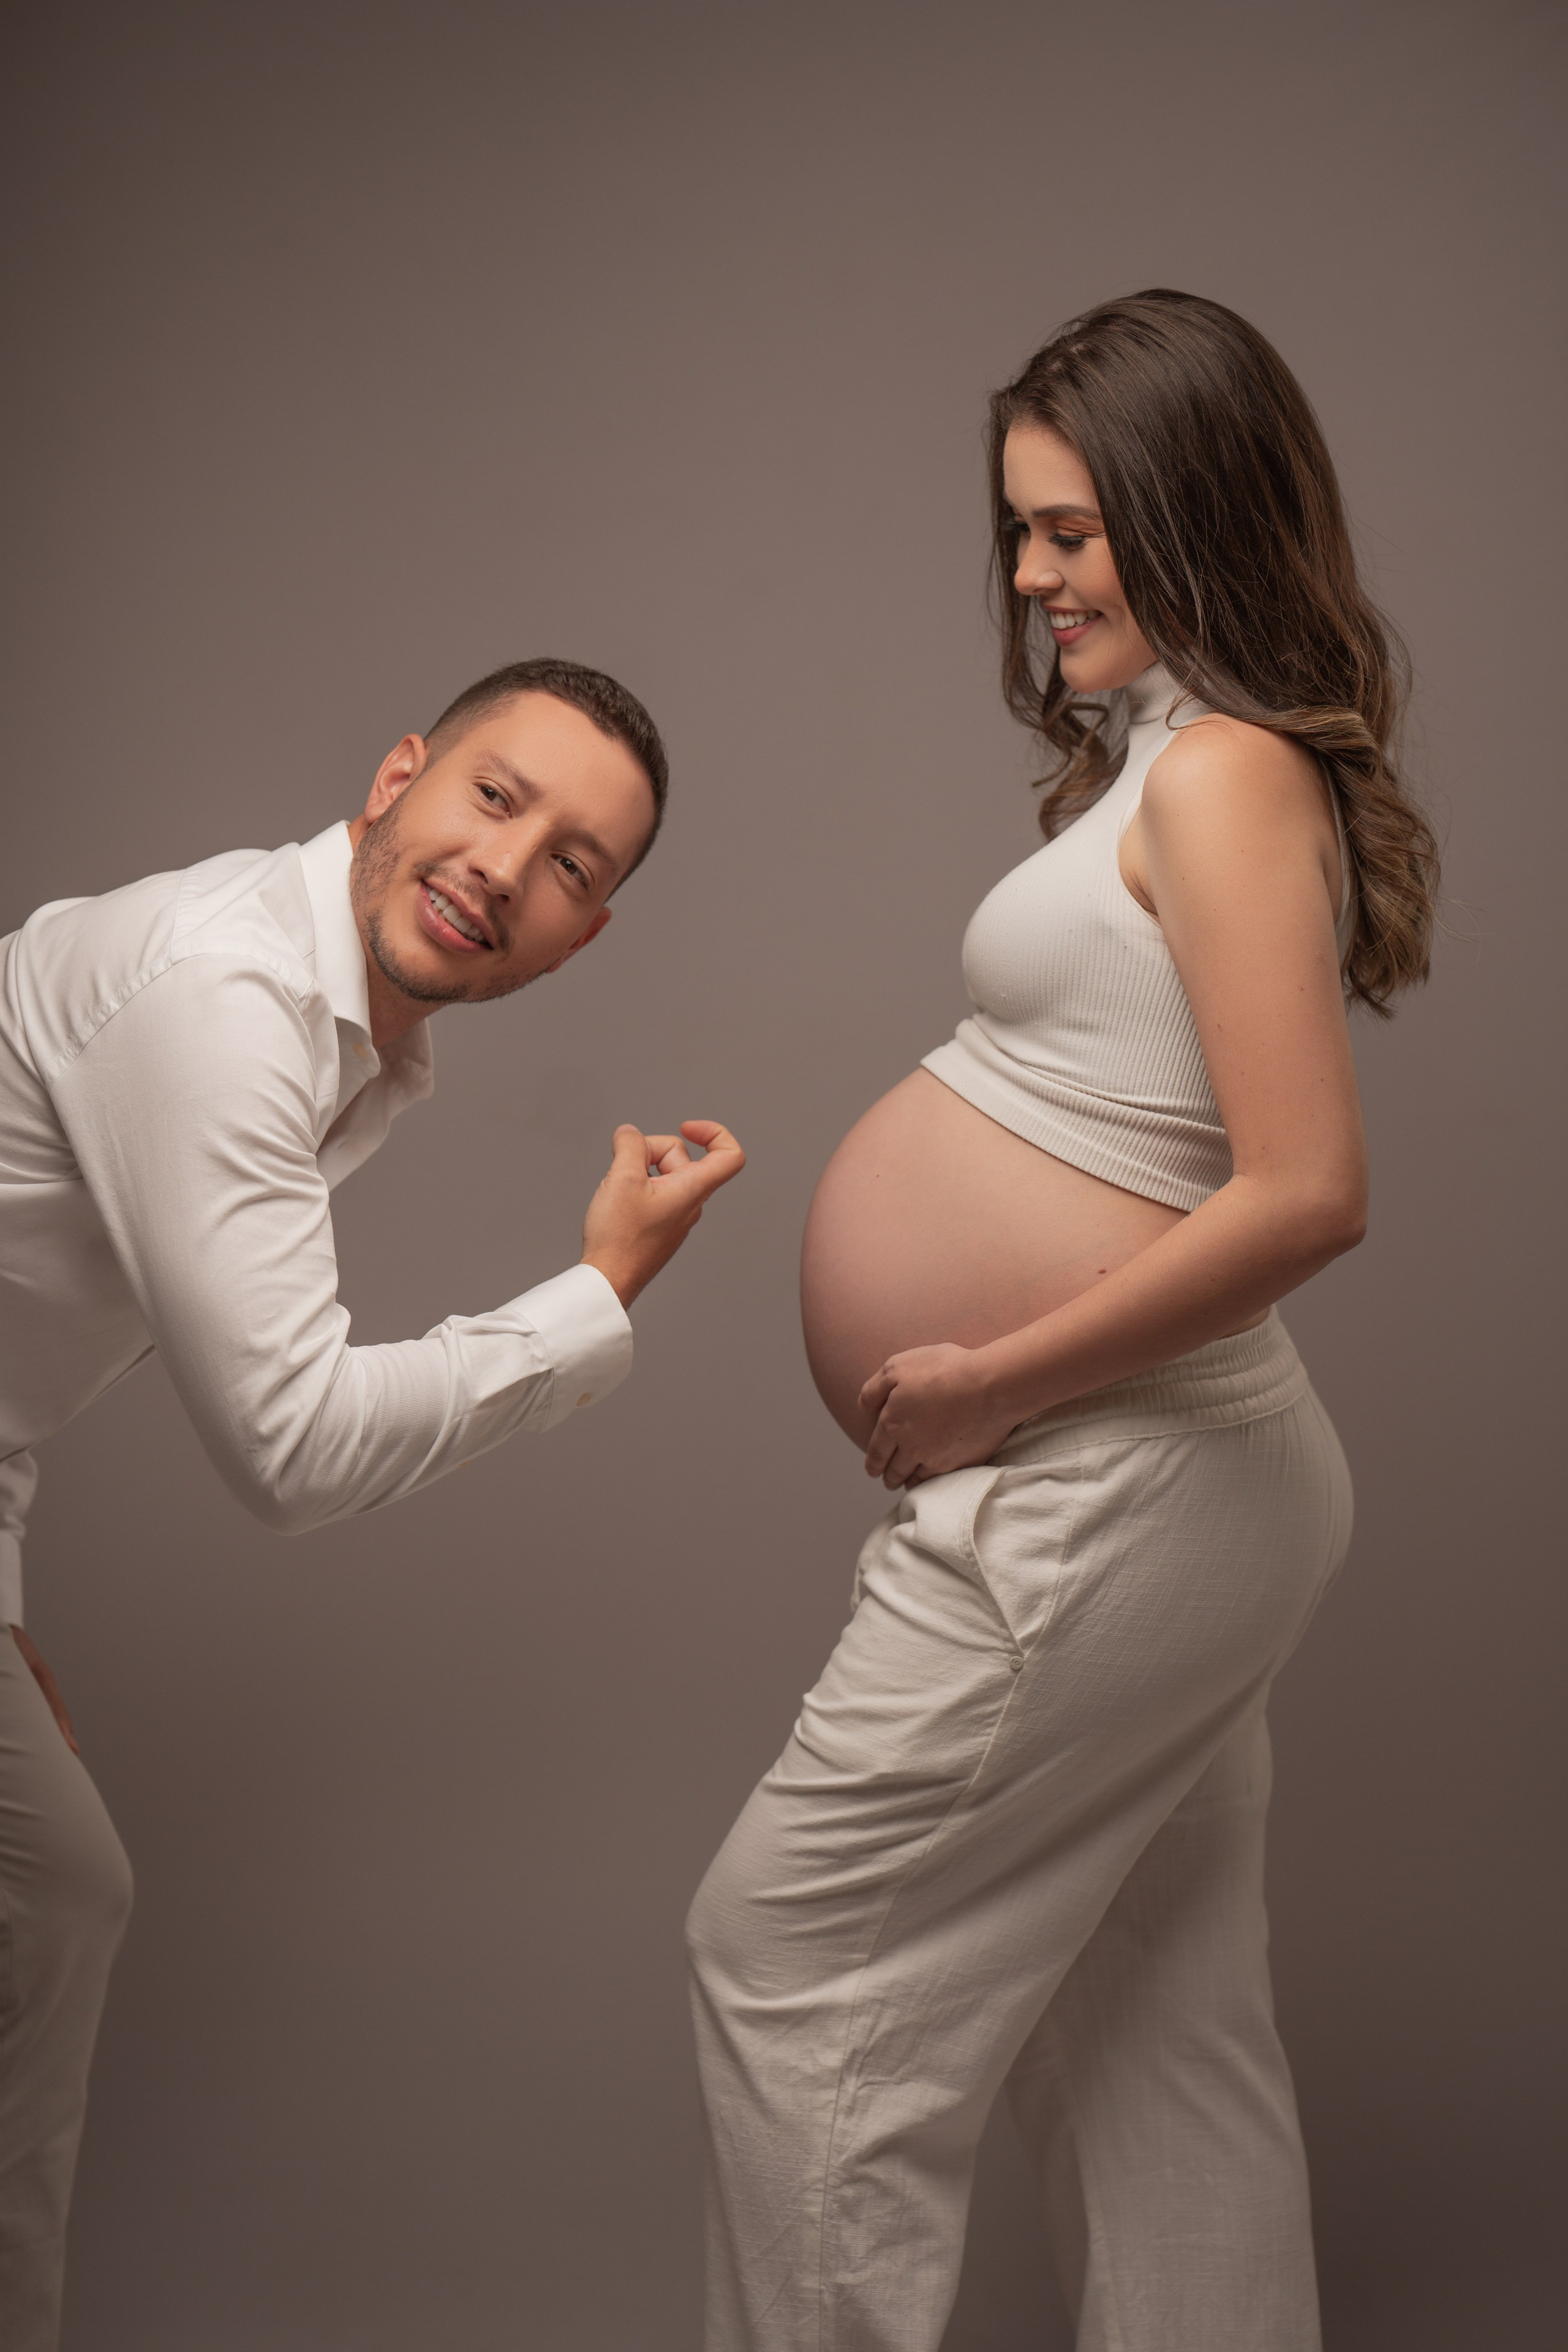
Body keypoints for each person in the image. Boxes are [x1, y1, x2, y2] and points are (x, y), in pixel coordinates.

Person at [687, 292, 1438, 2350]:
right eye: (1020, 531)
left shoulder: (1223, 779)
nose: (1029, 576)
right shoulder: (1171, 763)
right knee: (1156, 2032)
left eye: (1073, 530)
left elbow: (1311, 1191)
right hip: (1170, 1478)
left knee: (786, 1963)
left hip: (1124, 1471)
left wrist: (991, 1382)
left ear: (1196, 512)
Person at [0, 654, 744, 2350]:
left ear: (584, 936)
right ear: (398, 776)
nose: (505, 866)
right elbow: (294, 1449)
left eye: (570, 863)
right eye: (495, 796)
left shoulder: (341, 1034)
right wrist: (596, 1296)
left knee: (51, 1896)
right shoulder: (225, 1002)